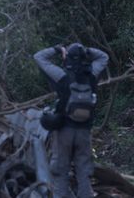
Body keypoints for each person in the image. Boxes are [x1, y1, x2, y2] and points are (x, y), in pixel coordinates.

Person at [34, 43, 109, 198]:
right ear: (84, 58)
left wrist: (57, 49)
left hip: (64, 132)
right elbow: (104, 56)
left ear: (67, 57)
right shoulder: (92, 75)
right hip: (84, 132)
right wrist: (87, 50)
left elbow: (38, 57)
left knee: (60, 173)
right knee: (84, 174)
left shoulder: (61, 76)